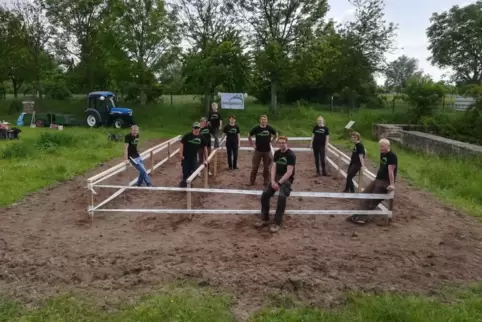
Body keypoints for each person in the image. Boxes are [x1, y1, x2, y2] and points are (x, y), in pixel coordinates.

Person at [347, 138, 397, 225]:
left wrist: (392, 184)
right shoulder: (382, 154)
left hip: (385, 181)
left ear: (388, 146)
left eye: (383, 146)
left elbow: (391, 171)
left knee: (372, 200)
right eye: (380, 146)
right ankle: (357, 215)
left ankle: (362, 218)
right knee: (364, 195)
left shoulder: (392, 156)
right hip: (378, 179)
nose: (381, 148)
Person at [256, 136, 296, 233]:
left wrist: (279, 183)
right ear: (277, 144)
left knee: (282, 197)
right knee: (265, 194)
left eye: (283, 142)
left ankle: (277, 222)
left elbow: (289, 172)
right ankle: (265, 218)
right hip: (276, 177)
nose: (281, 144)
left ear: (287, 143)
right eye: (280, 143)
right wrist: (273, 181)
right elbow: (273, 167)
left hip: (286, 179)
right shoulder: (277, 153)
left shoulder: (291, 155)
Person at [248, 115, 278, 186]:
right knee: (255, 167)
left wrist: (272, 141)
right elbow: (249, 135)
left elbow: (276, 134)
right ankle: (251, 181)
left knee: (266, 167)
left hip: (267, 151)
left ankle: (266, 181)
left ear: (267, 121)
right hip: (258, 150)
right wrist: (252, 144)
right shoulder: (256, 128)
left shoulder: (269, 128)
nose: (263, 121)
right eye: (262, 119)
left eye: (265, 120)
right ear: (260, 120)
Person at [179, 122, 209, 188]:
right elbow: (182, 143)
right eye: (195, 128)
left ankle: (187, 181)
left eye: (197, 128)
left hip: (194, 157)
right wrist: (181, 154)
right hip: (185, 156)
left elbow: (205, 148)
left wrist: (206, 159)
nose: (196, 129)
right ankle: (184, 184)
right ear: (193, 128)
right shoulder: (188, 135)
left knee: (195, 171)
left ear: (199, 128)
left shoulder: (201, 137)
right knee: (185, 171)